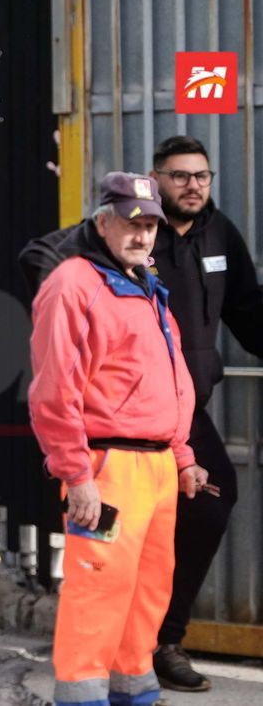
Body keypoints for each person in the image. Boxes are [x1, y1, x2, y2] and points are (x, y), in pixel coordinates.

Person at [28, 171, 208, 706]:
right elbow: (55, 389)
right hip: (108, 469)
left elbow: (170, 380)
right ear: (102, 221)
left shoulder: (145, 285)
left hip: (154, 469)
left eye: (151, 224)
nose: (142, 234)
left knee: (148, 589)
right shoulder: (73, 284)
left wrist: (181, 456)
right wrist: (76, 474)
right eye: (132, 222)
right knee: (99, 586)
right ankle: (82, 696)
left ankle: (135, 689)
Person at [147, 135, 263, 692]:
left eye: (202, 176)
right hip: (136, 411)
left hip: (190, 409)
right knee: (127, 526)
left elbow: (246, 308)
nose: (193, 185)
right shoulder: (133, 232)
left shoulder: (219, 232)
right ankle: (130, 643)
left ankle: (162, 638)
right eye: (180, 175)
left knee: (209, 508)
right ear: (157, 178)